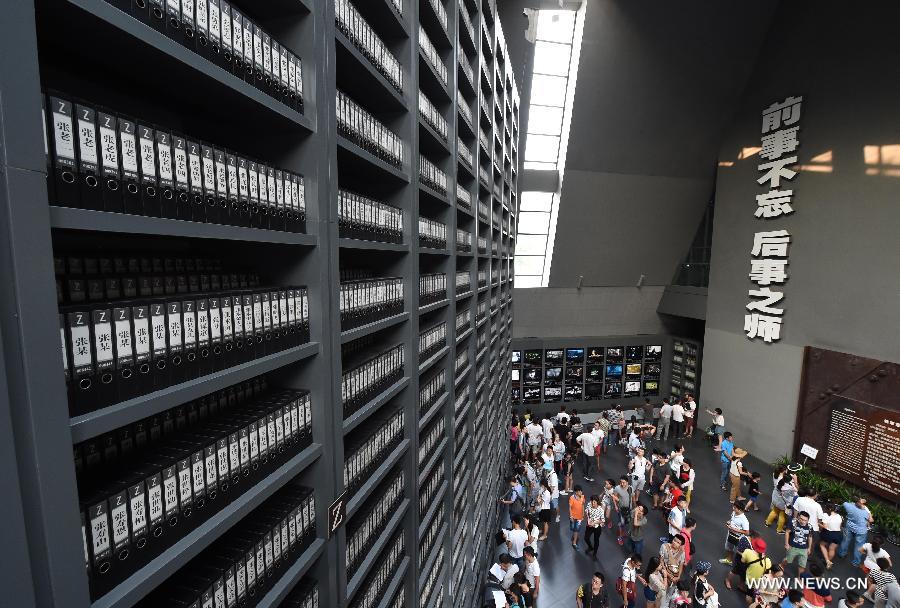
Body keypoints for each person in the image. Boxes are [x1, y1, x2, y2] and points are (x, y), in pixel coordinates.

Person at [838, 496, 874, 567]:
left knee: (845, 540)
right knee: (859, 546)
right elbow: (871, 520)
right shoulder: (865, 512)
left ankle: (842, 554)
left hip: (849, 527)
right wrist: (869, 513)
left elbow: (844, 503)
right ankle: (856, 562)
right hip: (861, 530)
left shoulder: (848, 505)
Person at [782, 510, 814, 575]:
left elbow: (810, 537)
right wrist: (786, 544)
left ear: (808, 520)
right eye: (801, 519)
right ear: (798, 517)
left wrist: (809, 548)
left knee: (802, 564)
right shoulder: (793, 523)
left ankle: (800, 578)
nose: (803, 521)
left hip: (804, 548)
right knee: (787, 560)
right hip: (793, 546)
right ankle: (781, 566)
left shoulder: (810, 527)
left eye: (805, 520)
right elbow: (787, 532)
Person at [721, 500, 751, 565]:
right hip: (730, 534)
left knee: (736, 550)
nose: (733, 509)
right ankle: (729, 560)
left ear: (739, 510)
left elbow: (747, 532)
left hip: (737, 537)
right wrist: (729, 522)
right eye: (733, 507)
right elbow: (731, 520)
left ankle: (734, 562)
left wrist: (734, 529)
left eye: (735, 508)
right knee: (728, 547)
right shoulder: (734, 513)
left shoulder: (744, 520)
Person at [819, 502, 843, 569]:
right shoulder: (839, 516)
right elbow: (840, 526)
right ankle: (828, 562)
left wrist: (818, 523)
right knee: (832, 549)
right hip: (838, 534)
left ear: (828, 508)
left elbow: (825, 527)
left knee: (822, 545)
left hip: (829, 533)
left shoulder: (826, 515)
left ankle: (827, 560)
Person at [613, 476, 634, 546]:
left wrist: (634, 506)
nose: (622, 484)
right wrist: (616, 506)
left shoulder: (631, 488)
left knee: (626, 522)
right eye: (621, 482)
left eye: (623, 482)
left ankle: (623, 532)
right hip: (621, 509)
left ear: (627, 482)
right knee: (621, 523)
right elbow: (614, 497)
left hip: (629, 509)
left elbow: (632, 497)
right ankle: (620, 537)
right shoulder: (617, 488)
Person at [584, 494, 605, 559]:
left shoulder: (600, 510)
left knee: (596, 540)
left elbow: (603, 520)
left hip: (597, 527)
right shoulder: (589, 504)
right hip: (589, 525)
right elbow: (586, 511)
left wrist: (595, 522)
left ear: (597, 502)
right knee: (586, 538)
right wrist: (588, 518)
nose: (592, 503)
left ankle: (594, 553)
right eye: (592, 501)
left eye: (594, 502)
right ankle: (590, 547)